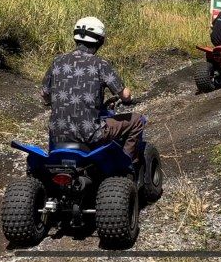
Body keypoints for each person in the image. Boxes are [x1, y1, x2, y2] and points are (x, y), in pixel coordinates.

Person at [40, 16, 145, 159]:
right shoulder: (100, 63)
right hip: (90, 134)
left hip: (56, 134)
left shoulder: (57, 61)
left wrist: (50, 102)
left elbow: (45, 93)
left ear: (76, 38)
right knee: (137, 120)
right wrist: (127, 96)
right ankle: (127, 166)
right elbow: (125, 95)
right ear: (100, 41)